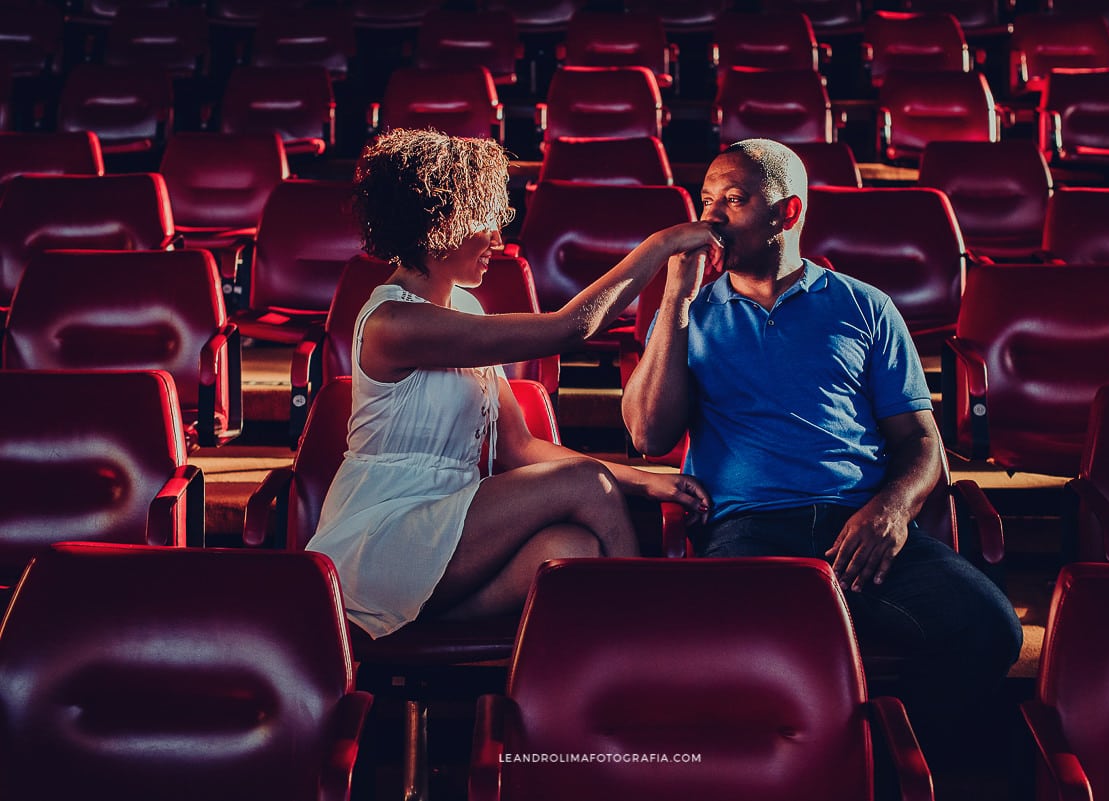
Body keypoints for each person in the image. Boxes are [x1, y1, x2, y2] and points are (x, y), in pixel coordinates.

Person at [621, 138, 1022, 760]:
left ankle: (890, 767)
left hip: (859, 523)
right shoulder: (688, 314)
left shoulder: (866, 307)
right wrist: (673, 296)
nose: (711, 218)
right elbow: (648, 435)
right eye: (706, 201)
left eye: (734, 199)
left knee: (989, 628)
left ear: (787, 212)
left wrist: (890, 513)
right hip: (748, 529)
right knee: (719, 651)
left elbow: (921, 442)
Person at [307, 128, 721, 639]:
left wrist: (641, 478)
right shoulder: (394, 321)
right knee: (583, 485)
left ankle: (403, 625)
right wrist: (661, 245)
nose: (498, 240)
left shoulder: (464, 308)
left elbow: (519, 447)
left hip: (447, 537)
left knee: (574, 550)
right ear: (439, 223)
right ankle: (654, 648)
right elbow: (569, 328)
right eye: (483, 222)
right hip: (384, 534)